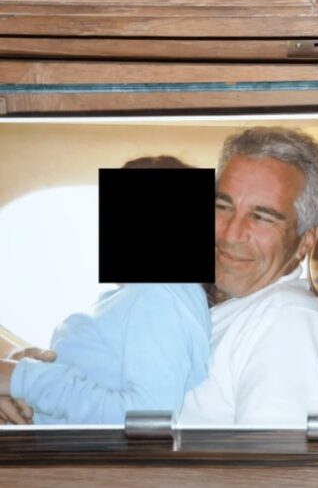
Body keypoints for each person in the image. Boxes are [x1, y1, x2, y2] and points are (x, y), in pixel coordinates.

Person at [0, 156, 211, 425]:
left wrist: (23, 379)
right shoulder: (153, 297)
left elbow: (148, 416)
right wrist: (24, 373)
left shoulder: (158, 296)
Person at [178, 127, 318, 426]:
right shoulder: (225, 307)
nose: (230, 234)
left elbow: (272, 455)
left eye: (261, 217)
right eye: (223, 206)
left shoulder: (287, 319)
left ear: (305, 241)